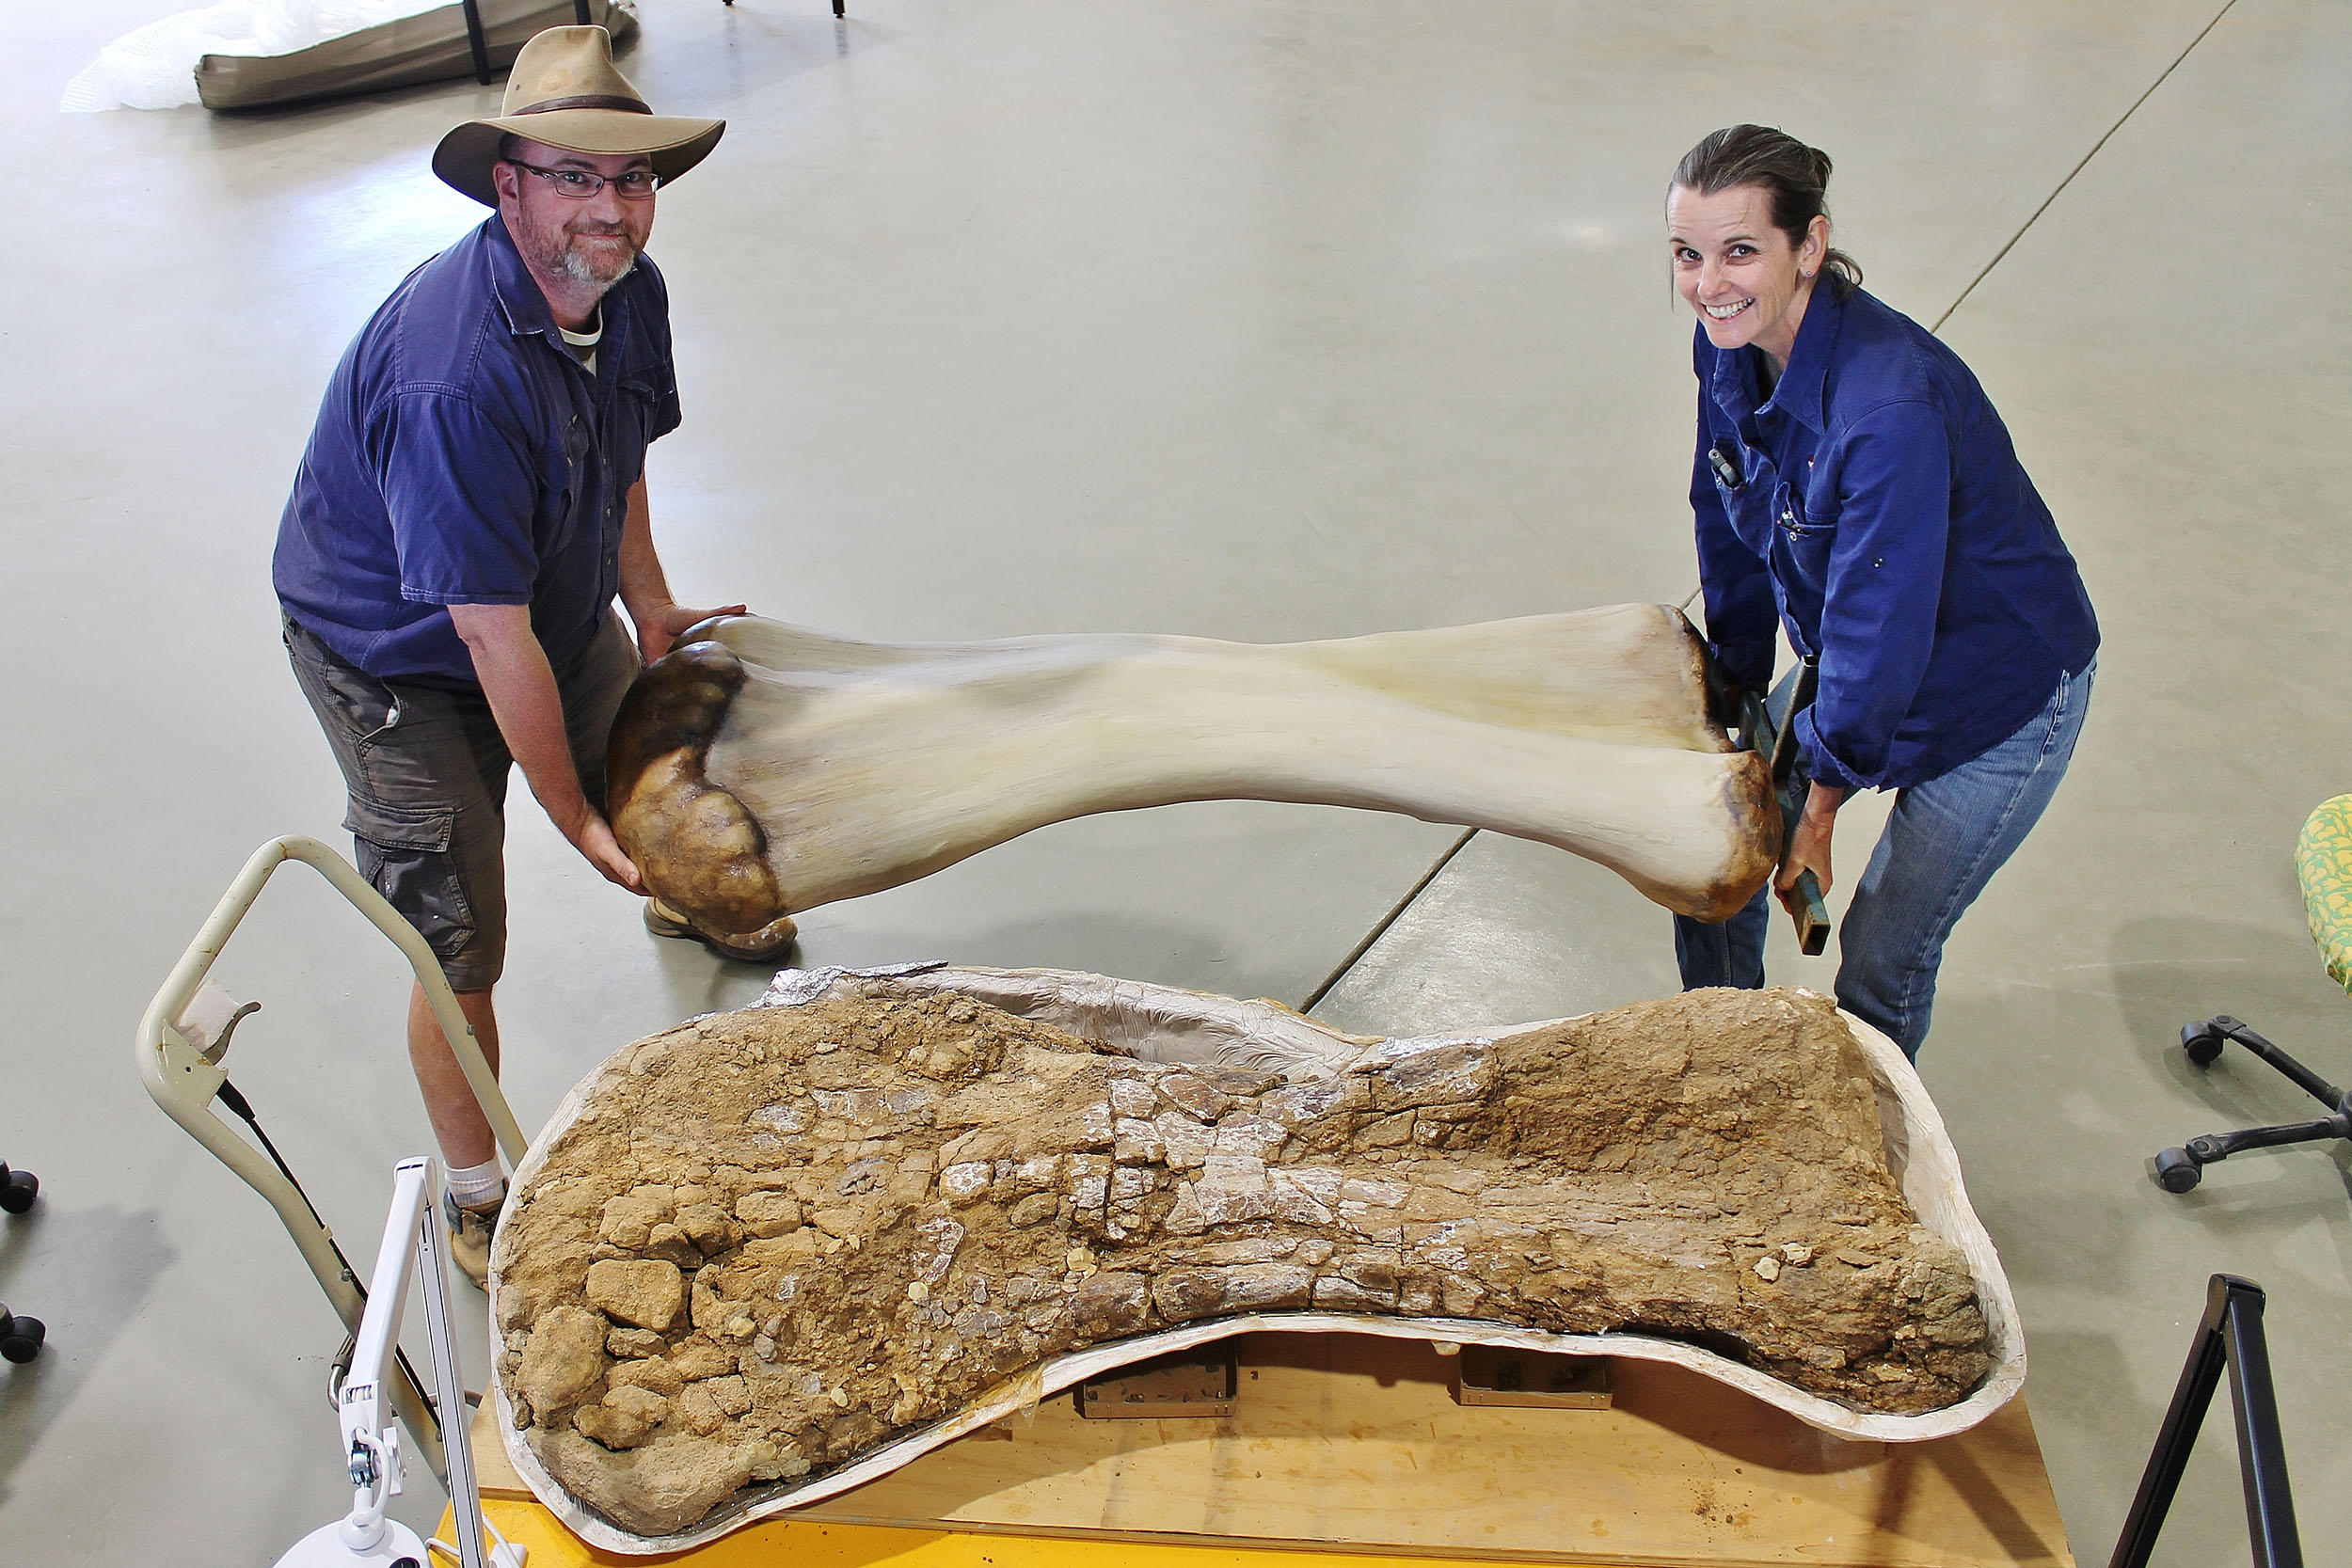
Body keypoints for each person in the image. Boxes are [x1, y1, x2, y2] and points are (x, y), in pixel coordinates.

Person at [273, 26, 784, 1284]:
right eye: (574, 175)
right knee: (456, 939)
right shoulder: (454, 377)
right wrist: (571, 817)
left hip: (536, 592)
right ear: (508, 185)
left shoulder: (623, 288)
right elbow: (485, 638)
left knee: (656, 749)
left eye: (632, 179)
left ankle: (671, 880)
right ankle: (475, 1186)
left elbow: (619, 465)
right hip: (397, 655)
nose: (610, 207)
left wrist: (648, 604)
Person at [1664, 123, 2098, 1061]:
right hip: (1869, 657)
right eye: (1687, 254)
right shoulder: (1727, 344)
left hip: (1998, 694)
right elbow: (1721, 509)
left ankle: (1867, 1160)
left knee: (1880, 955)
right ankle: (1725, 1071)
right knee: (1715, 858)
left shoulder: (1885, 409)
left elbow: (1876, 628)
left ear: (1808, 246)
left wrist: (1816, 807)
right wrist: (1731, 693)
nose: (1709, 282)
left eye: (1741, 250)